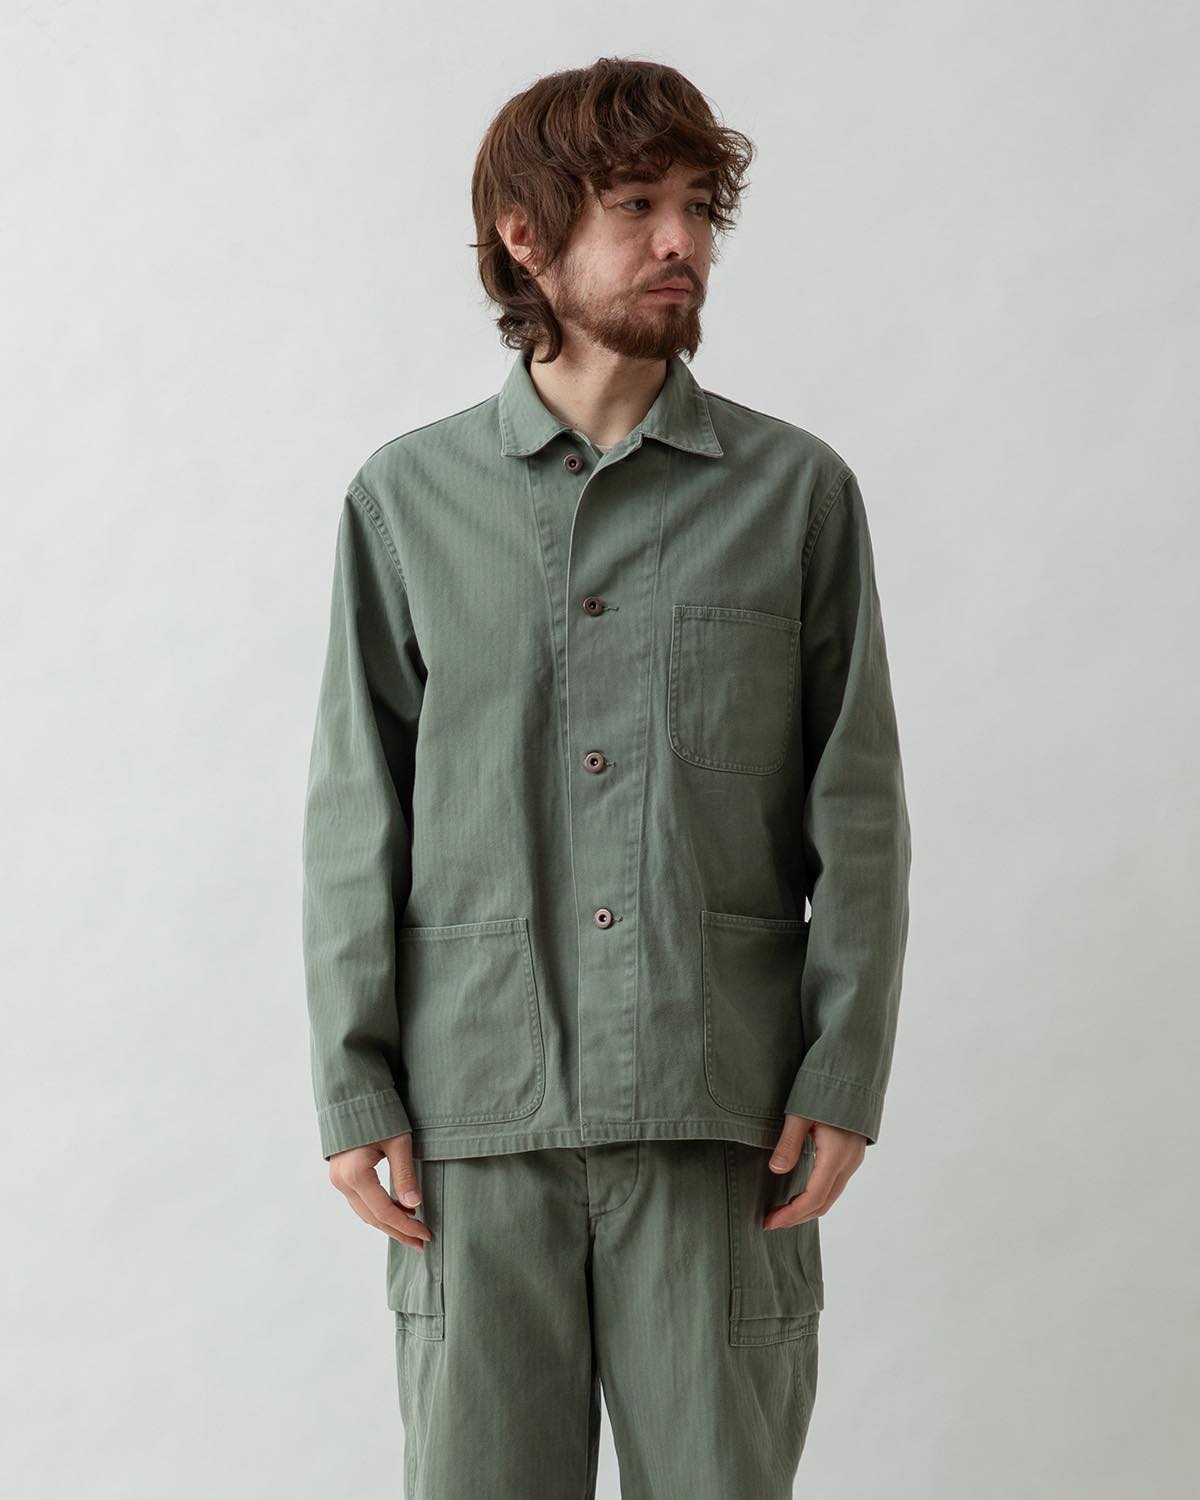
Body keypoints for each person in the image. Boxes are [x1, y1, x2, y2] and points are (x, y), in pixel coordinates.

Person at [301, 55, 912, 1499]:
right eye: (636, 206)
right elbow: (354, 811)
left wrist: (843, 1068)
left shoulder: (795, 495)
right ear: (527, 237)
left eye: (698, 206)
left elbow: (859, 808)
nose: (680, 241)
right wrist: (352, 1080)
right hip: (476, 1118)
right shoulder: (407, 502)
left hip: (720, 1109)